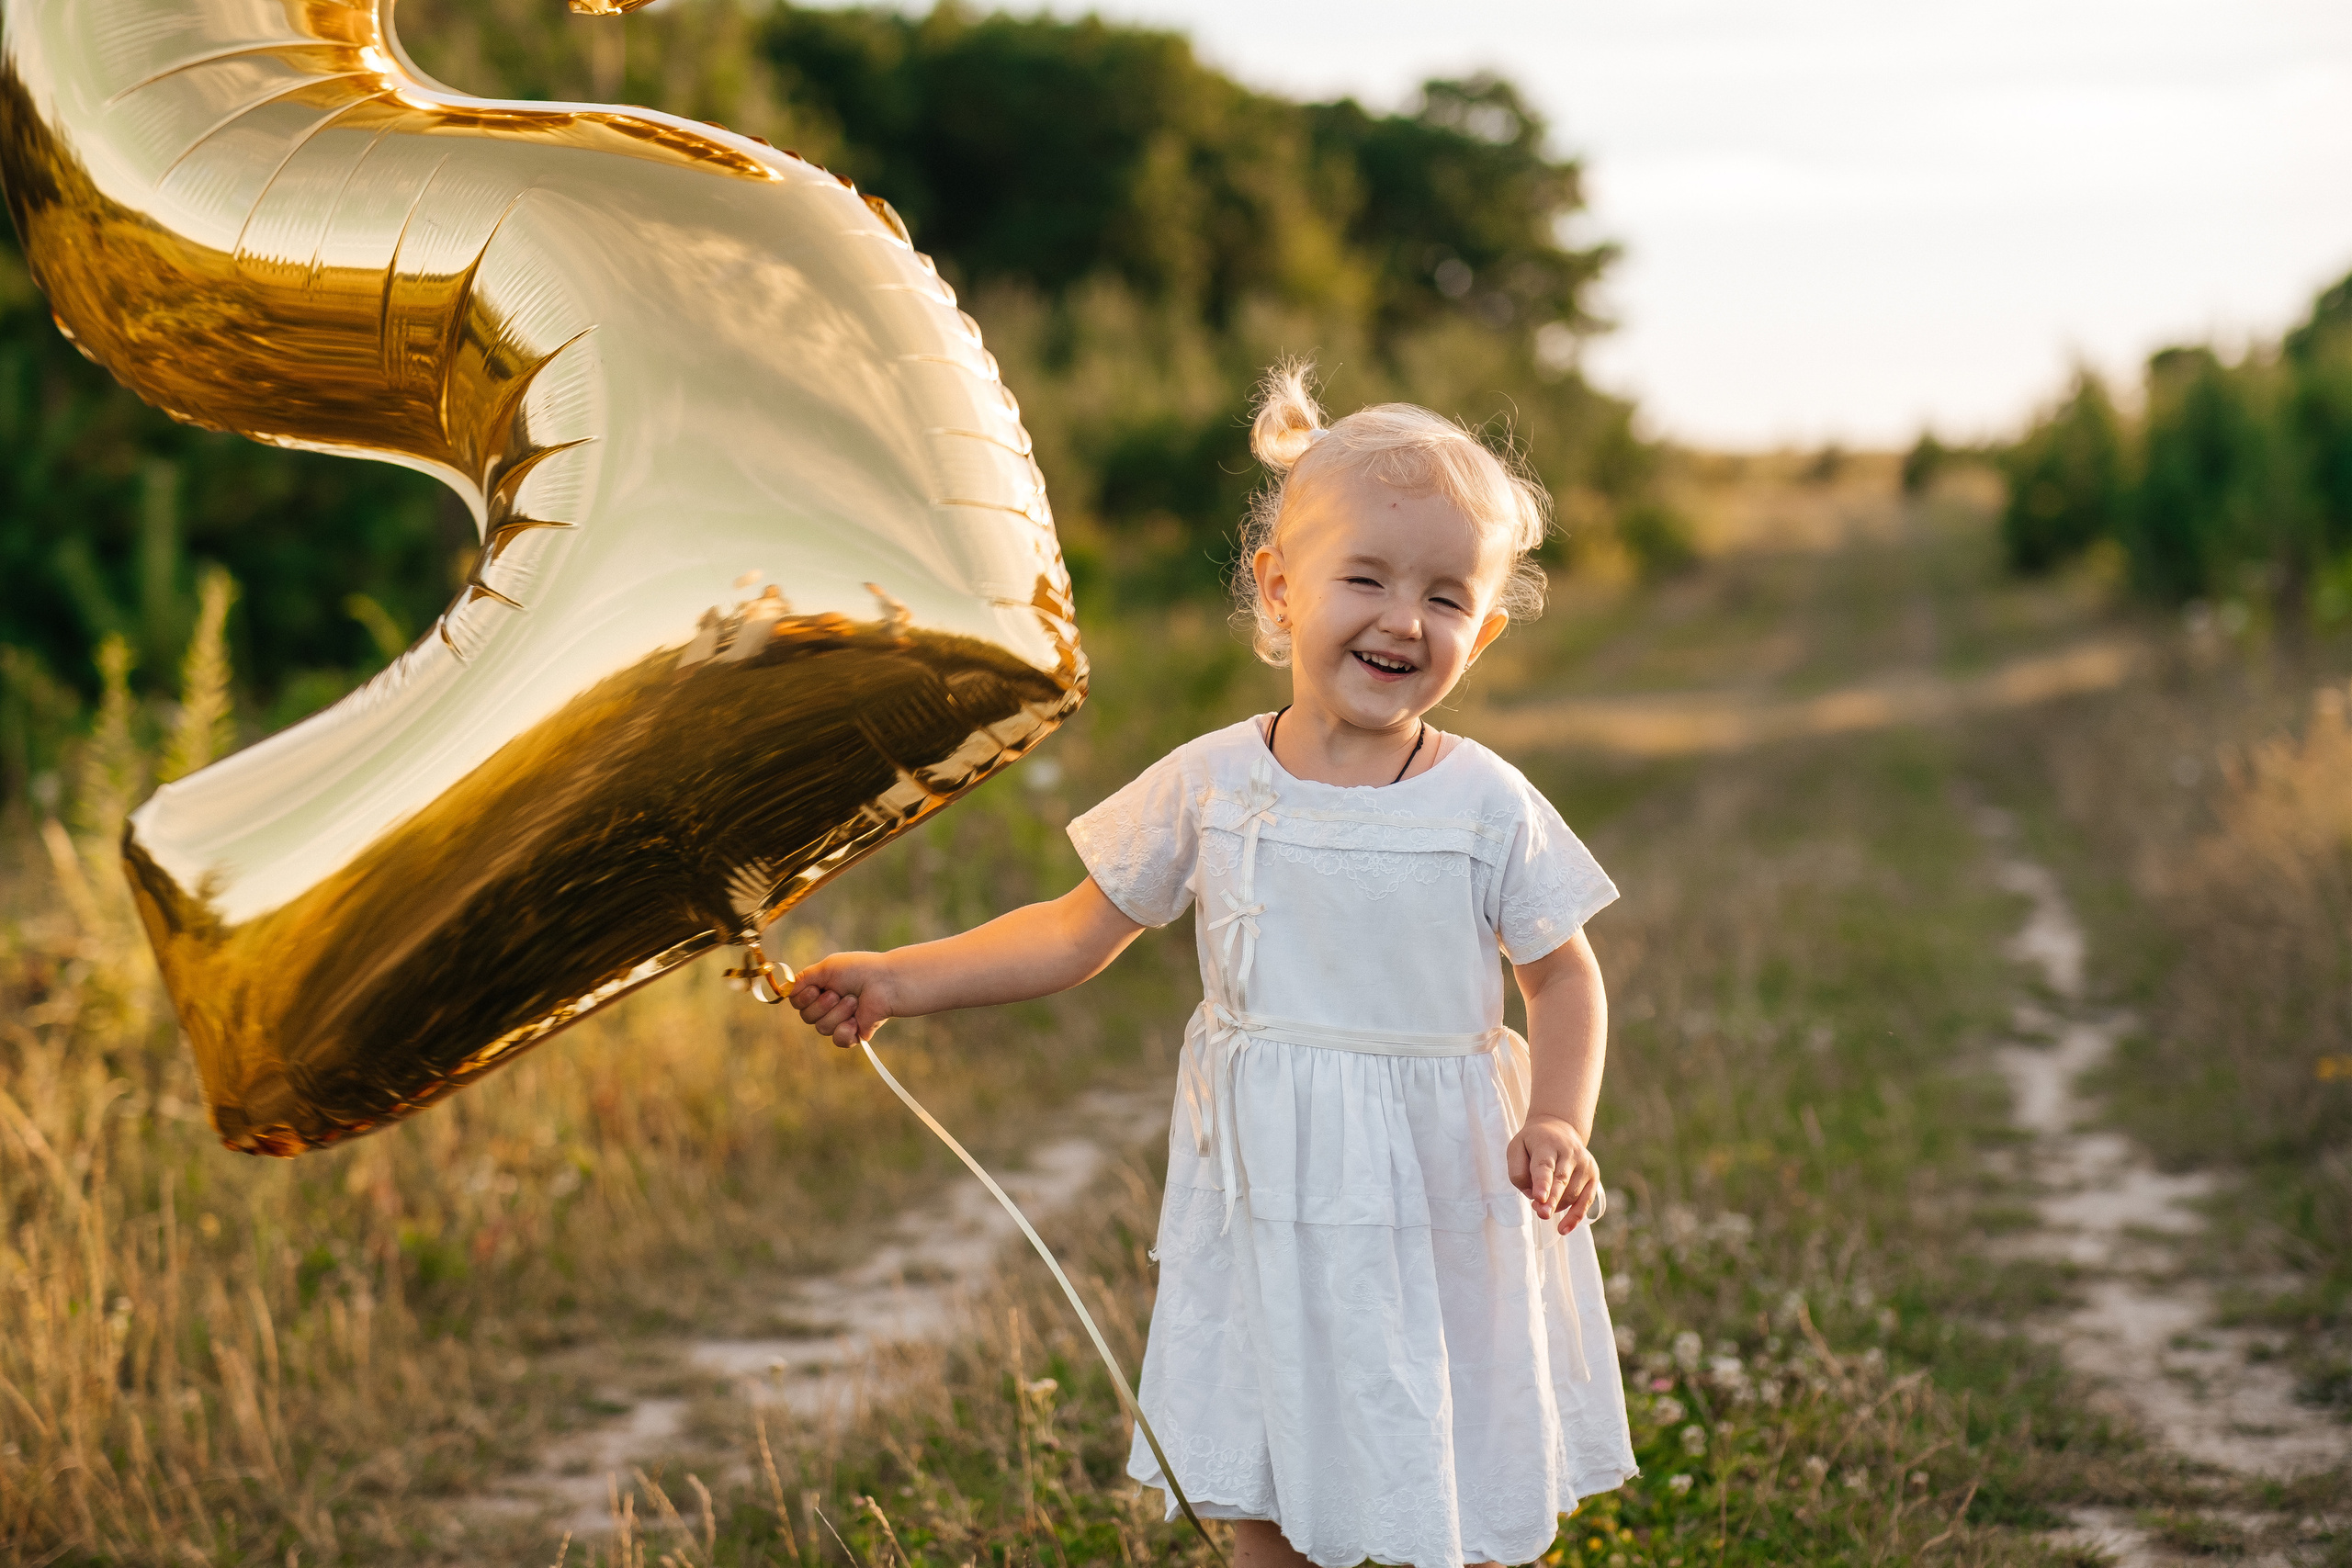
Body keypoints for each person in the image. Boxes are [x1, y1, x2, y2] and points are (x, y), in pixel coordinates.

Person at [789, 362, 1635, 1567]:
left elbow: (1565, 976)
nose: (1405, 618)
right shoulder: (1211, 783)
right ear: (1280, 590)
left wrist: (1559, 1119)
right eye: (1367, 579)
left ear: (1483, 631)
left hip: (1439, 1191)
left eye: (1448, 598)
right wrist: (899, 978)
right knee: (1266, 1461)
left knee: (1454, 1439)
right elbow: (1076, 928)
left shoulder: (1484, 803)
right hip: (1268, 1190)